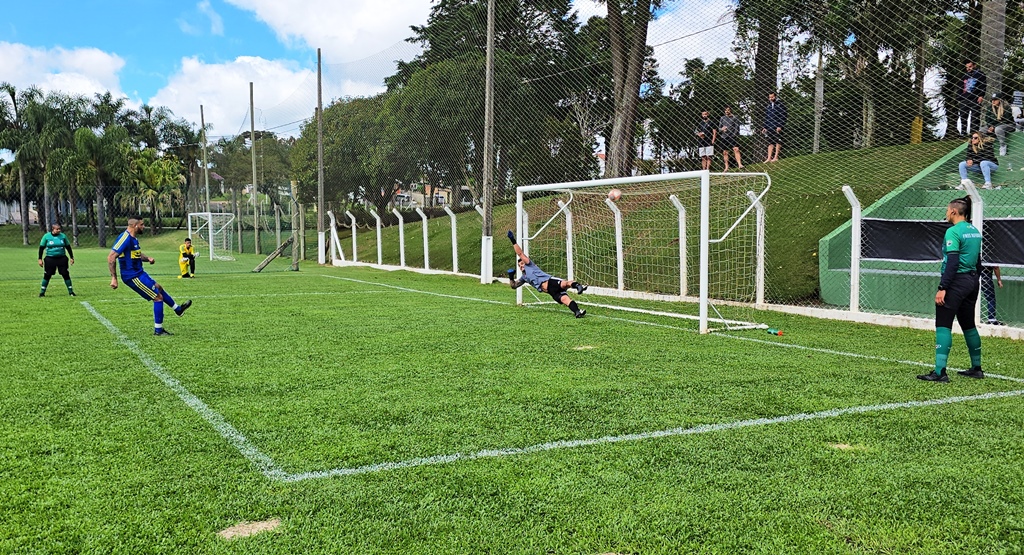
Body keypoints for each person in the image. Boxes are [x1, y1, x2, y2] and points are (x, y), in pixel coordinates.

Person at [918, 196, 984, 382]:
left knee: (943, 324)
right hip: (971, 281)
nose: (946, 213)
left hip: (957, 282)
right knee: (968, 324)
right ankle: (976, 368)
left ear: (954, 211)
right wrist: (973, 280)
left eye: (947, 210)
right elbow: (978, 261)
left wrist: (943, 287)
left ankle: (940, 372)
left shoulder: (953, 232)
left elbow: (953, 262)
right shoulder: (974, 231)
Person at [108, 216, 192, 335]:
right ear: (134, 226)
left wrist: (147, 258)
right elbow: (111, 257)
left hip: (140, 272)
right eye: (142, 225)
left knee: (159, 287)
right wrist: (114, 278)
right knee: (158, 297)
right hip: (132, 276)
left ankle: (178, 309)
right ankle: (158, 330)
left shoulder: (134, 239)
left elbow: (136, 254)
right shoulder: (125, 238)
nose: (144, 227)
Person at [506, 230, 588, 318]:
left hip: (551, 282)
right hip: (550, 291)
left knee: (564, 284)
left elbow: (520, 253)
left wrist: (513, 240)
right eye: (519, 265)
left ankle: (579, 286)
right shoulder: (524, 277)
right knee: (565, 299)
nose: (521, 266)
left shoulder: (530, 265)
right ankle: (577, 312)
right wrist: (511, 277)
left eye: (522, 263)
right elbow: (514, 286)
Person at [37, 222, 76, 297]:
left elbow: (68, 247)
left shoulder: (63, 236)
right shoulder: (46, 236)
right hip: (50, 259)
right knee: (47, 275)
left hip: (62, 258)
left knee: (65, 274)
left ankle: (71, 292)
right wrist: (40, 259)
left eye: (59, 229)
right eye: (57, 229)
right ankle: (42, 292)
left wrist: (71, 257)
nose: (59, 230)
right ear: (53, 229)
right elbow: (41, 248)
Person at [958, 61, 986, 135]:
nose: (968, 69)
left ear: (974, 65)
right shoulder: (964, 76)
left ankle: (974, 133)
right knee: (963, 116)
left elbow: (983, 86)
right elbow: (960, 87)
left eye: (970, 67)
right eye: (967, 67)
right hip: (964, 99)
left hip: (975, 98)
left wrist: (981, 96)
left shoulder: (980, 75)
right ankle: (963, 132)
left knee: (975, 117)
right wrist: (959, 97)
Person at [762, 92, 787, 162]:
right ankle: (769, 158)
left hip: (777, 126)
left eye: (772, 97)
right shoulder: (768, 106)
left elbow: (783, 116)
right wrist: (765, 127)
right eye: (770, 97)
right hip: (770, 126)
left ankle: (776, 157)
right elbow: (766, 117)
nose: (771, 99)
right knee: (770, 142)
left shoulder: (780, 105)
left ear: (775, 96)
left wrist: (780, 126)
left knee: (777, 141)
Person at [718, 106, 743, 171]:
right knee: (725, 152)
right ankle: (726, 167)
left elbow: (737, 127)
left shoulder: (735, 117)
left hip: (732, 136)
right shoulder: (722, 118)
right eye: (725, 110)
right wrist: (722, 129)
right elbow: (719, 129)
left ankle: (740, 164)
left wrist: (734, 135)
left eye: (728, 110)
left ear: (730, 110)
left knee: (736, 149)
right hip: (724, 137)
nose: (727, 111)